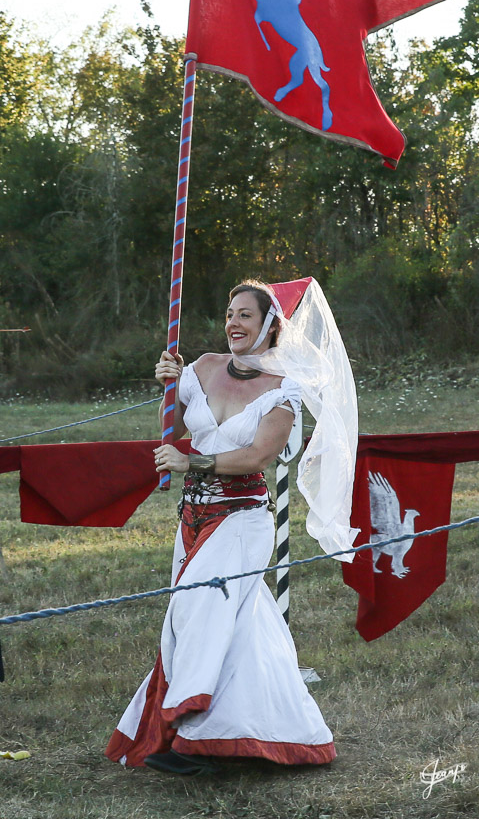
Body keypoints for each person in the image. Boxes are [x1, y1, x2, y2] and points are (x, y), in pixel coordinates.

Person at [105, 280, 337, 775]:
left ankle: (193, 739)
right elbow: (176, 429)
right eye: (229, 313)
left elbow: (257, 455)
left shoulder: (284, 388)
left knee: (198, 614)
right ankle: (278, 734)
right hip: (191, 519)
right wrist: (168, 382)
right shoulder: (204, 367)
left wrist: (193, 463)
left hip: (242, 519)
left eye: (245, 316)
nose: (233, 323)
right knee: (243, 629)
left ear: (270, 326)